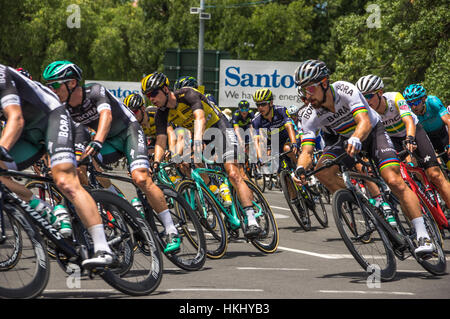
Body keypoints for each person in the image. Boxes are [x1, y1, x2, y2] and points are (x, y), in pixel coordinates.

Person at [293, 59, 435, 256]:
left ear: (324, 83)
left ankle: (423, 235)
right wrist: (300, 169)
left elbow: (364, 121)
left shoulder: (344, 89)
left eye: (309, 89)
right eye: (302, 91)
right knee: (323, 171)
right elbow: (306, 150)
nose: (306, 95)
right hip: (345, 139)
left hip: (372, 133)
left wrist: (357, 138)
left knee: (393, 180)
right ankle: (363, 205)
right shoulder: (309, 114)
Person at [43, 61, 182, 253]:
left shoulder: (95, 92)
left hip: (127, 132)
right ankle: (120, 204)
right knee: (80, 169)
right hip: (107, 141)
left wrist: (98, 141)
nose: (52, 90)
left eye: (56, 85)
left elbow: (106, 117)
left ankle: (171, 229)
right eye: (49, 86)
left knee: (140, 178)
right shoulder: (64, 108)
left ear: (72, 83)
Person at [0, 64, 116, 268]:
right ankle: (45, 209)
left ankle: (102, 247)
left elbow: (15, 119)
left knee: (65, 180)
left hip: (51, 116)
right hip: (28, 132)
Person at [142, 72, 262, 238]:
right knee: (196, 166)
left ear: (165, 89)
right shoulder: (161, 113)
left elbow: (200, 118)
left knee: (233, 173)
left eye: (153, 94)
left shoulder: (187, 94)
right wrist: (155, 162)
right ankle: (219, 196)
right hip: (203, 135)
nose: (151, 99)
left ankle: (251, 219)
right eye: (148, 96)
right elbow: (161, 140)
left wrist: (197, 142)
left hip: (219, 127)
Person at [357, 75, 450, 212]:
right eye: (362, 97)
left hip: (413, 131)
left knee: (435, 175)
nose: (366, 100)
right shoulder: (366, 111)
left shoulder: (395, 97)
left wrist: (410, 138)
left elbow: (408, 121)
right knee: (399, 183)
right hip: (393, 139)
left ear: (380, 92)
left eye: (369, 96)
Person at [402, 84, 450, 170]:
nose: (413, 106)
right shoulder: (408, 111)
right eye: (409, 103)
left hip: (442, 133)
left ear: (423, 99)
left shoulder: (432, 101)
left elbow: (449, 122)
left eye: (416, 102)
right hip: (427, 137)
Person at [251, 89, 299, 170]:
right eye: (258, 105)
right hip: (274, 142)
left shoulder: (281, 110)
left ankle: (300, 167)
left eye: (263, 104)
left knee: (288, 149)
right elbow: (258, 141)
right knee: (276, 167)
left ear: (271, 103)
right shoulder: (256, 120)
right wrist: (259, 158)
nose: (260, 108)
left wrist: (294, 143)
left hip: (288, 138)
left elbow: (289, 127)